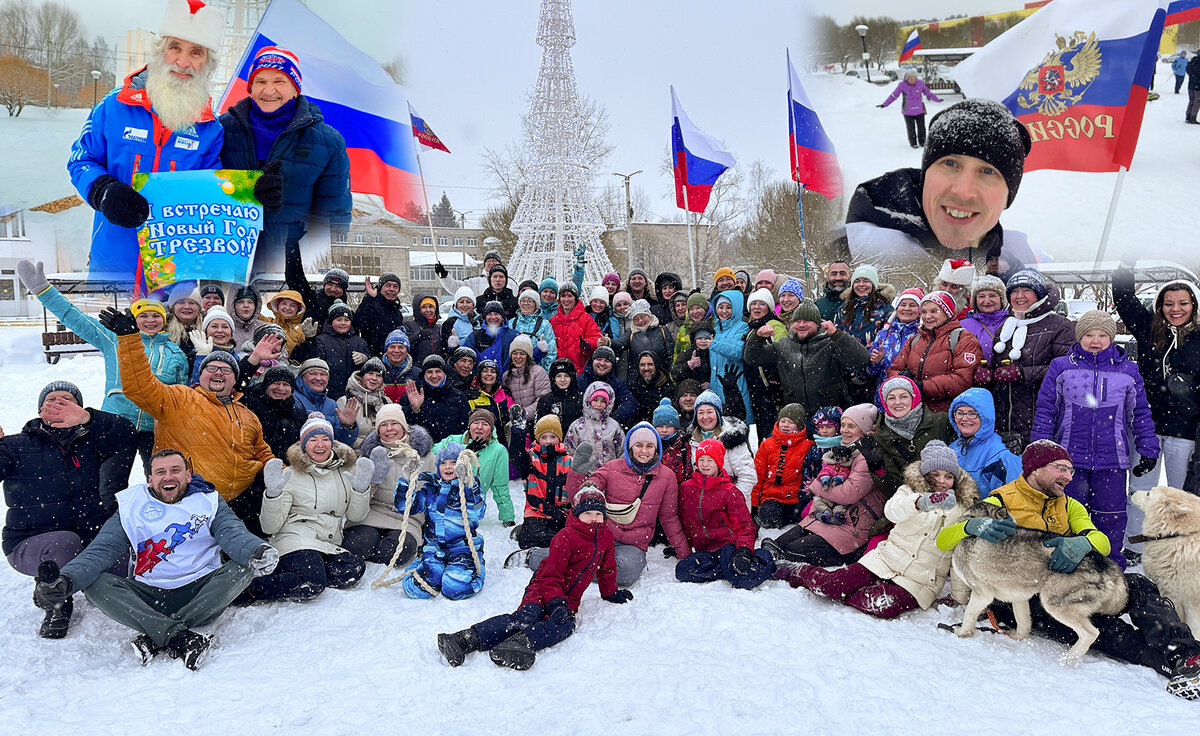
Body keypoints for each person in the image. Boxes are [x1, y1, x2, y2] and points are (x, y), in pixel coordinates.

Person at [935, 440, 1200, 699]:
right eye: (1060, 468)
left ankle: (1188, 656)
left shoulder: (1069, 505)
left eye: (1070, 470)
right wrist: (969, 528)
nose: (1068, 475)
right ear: (1035, 470)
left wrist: (1083, 542)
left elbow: (1102, 543)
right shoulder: (1000, 500)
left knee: (1139, 585)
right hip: (1027, 595)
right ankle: (1165, 663)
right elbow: (943, 540)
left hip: (1072, 579)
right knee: (1099, 627)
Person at [33, 449, 277, 669]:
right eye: (160, 472)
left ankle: (157, 633)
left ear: (188, 475)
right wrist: (66, 581)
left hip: (201, 592)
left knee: (244, 568)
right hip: (149, 595)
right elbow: (101, 549)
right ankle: (179, 636)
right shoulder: (132, 506)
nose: (168, 477)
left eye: (175, 470)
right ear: (150, 479)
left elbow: (233, 534)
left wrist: (257, 551)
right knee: (95, 585)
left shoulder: (208, 500)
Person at [67, 0, 226, 287]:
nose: (182, 61)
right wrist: (102, 190)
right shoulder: (114, 106)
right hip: (112, 271)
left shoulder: (210, 129)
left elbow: (214, 194)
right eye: (174, 46)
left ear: (207, 63)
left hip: (175, 281)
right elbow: (81, 159)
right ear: (159, 50)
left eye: (195, 52)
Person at [18, 261, 188, 489]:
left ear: (163, 321)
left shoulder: (175, 352)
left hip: (154, 428)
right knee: (109, 485)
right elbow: (76, 318)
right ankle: (108, 524)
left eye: (155, 316)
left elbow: (180, 396)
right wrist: (43, 290)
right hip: (115, 423)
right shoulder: (114, 339)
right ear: (134, 320)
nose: (150, 320)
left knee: (163, 483)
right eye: (143, 316)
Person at [102, 307, 275, 531]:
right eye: (211, 368)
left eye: (226, 370)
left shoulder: (247, 414)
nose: (219, 373)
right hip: (190, 503)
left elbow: (261, 452)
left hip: (241, 505)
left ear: (235, 380)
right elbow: (140, 387)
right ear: (200, 374)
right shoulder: (179, 398)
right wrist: (129, 340)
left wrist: (276, 470)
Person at [436, 485, 627, 671]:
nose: (593, 519)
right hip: (542, 586)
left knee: (565, 624)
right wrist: (555, 603)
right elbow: (552, 575)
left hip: (568, 599)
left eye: (598, 514)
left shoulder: (605, 537)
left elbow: (607, 568)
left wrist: (610, 593)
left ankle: (520, 642)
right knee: (526, 617)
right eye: (588, 514)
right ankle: (463, 639)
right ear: (577, 514)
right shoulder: (565, 537)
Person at [778, 440, 975, 619]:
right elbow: (892, 512)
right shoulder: (909, 492)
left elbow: (959, 554)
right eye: (935, 475)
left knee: (880, 605)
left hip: (920, 580)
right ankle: (798, 572)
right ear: (924, 475)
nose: (942, 481)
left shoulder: (962, 509)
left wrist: (958, 596)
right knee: (832, 586)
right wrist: (919, 503)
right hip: (886, 559)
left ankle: (858, 591)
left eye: (948, 476)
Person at [2, 382, 138, 637]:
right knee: (64, 543)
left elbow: (127, 432)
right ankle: (56, 603)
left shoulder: (91, 443)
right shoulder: (15, 446)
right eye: (52, 399)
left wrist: (89, 418)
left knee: (123, 566)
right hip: (29, 543)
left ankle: (60, 580)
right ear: (40, 409)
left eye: (68, 400)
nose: (59, 403)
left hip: (89, 537)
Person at [840, 98, 1035, 270]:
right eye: (950, 163)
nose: (963, 192)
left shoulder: (1019, 260)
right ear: (925, 177)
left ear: (1008, 197)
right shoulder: (848, 249)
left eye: (988, 171)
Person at [1032, 311, 1159, 568]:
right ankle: (1066, 562)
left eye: (1102, 335)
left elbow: (1140, 412)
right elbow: (1046, 409)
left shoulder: (1128, 371)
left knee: (1110, 516)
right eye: (1089, 334)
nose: (1095, 340)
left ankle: (1109, 565)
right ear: (1080, 337)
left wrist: (1148, 448)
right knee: (1067, 514)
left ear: (1111, 338)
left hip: (1111, 459)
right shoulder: (1062, 367)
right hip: (1068, 460)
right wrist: (1041, 450)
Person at [218, 45, 351, 277]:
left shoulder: (328, 142)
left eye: (280, 81)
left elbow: (332, 217)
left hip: (288, 269)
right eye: (260, 82)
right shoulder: (221, 130)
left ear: (295, 88)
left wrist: (317, 273)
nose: (269, 90)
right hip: (228, 259)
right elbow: (204, 189)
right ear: (250, 88)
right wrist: (247, 190)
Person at [239, 414, 374, 603]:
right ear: (303, 445)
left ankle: (298, 573)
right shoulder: (289, 474)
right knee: (312, 583)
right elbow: (270, 528)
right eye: (313, 440)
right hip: (296, 539)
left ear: (332, 443)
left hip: (328, 542)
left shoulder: (346, 472)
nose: (320, 445)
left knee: (354, 569)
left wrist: (361, 490)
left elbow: (355, 516)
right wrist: (273, 494)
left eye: (325, 439)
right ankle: (248, 591)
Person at [761, 404, 884, 566]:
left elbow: (848, 494)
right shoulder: (843, 448)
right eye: (844, 425)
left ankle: (850, 556)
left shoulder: (866, 455)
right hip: (830, 515)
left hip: (853, 522)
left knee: (792, 550)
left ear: (864, 429)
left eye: (852, 426)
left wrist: (819, 487)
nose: (845, 430)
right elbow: (824, 478)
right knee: (778, 544)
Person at [1114, 265, 1200, 492]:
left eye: (1183, 303)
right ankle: (1136, 530)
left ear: (1194, 305)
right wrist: (1125, 265)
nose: (1176, 309)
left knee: (1181, 498)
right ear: (1160, 306)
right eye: (1169, 303)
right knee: (1139, 495)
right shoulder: (1148, 329)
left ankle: (1179, 530)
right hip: (1146, 430)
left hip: (1185, 432)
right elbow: (1124, 299)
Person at [586, 423, 691, 585]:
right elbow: (594, 482)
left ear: (656, 449)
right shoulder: (613, 467)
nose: (644, 451)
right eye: (639, 445)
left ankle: (576, 565)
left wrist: (684, 554)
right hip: (603, 534)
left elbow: (669, 517)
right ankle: (539, 557)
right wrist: (589, 487)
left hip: (633, 545)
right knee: (566, 552)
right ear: (630, 447)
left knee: (626, 573)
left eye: (649, 446)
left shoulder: (666, 476)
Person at [984, 269, 1074, 445]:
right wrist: (988, 375)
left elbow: (1068, 369)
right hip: (1005, 419)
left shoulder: (1059, 326)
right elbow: (998, 367)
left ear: (1039, 294)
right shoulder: (1006, 327)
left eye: (1026, 290)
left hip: (1041, 418)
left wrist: (1023, 373)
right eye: (1014, 291)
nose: (1019, 296)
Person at [675, 439, 776, 590]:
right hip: (706, 550)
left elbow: (746, 526)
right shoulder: (686, 488)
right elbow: (685, 521)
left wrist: (744, 550)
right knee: (683, 570)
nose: (705, 464)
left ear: (718, 463)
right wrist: (684, 546)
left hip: (728, 546)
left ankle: (765, 556)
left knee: (743, 581)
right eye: (701, 460)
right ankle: (728, 570)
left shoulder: (729, 492)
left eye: (710, 460)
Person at [743, 299, 870, 416]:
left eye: (807, 321)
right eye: (798, 321)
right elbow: (752, 358)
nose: (801, 324)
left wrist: (837, 335)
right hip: (796, 417)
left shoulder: (830, 343)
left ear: (817, 324)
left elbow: (861, 359)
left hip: (830, 417)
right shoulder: (783, 345)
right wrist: (757, 337)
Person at [394, 442, 486, 600]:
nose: (448, 467)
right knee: (418, 590)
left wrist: (469, 485)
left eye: (454, 462)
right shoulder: (431, 489)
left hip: (462, 549)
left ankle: (476, 567)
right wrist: (406, 481)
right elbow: (406, 507)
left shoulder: (469, 488)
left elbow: (479, 512)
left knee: (454, 589)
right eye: (443, 463)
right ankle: (426, 566)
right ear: (438, 467)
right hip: (435, 549)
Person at [886, 291, 981, 413]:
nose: (927, 316)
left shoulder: (964, 339)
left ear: (947, 313)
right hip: (914, 412)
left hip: (946, 414)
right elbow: (893, 369)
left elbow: (962, 380)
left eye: (934, 311)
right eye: (924, 312)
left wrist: (921, 387)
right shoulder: (914, 340)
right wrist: (900, 378)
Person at [872, 376, 956, 498]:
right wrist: (877, 468)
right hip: (912, 502)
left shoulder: (941, 422)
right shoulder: (881, 436)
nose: (897, 402)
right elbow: (893, 490)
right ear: (885, 403)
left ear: (914, 397)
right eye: (891, 398)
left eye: (903, 396)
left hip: (949, 495)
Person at [435, 409, 514, 526]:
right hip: (444, 500)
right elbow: (433, 453)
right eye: (476, 423)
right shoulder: (453, 440)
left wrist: (508, 516)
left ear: (491, 430)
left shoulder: (498, 450)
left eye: (485, 424)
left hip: (472, 504)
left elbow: (500, 486)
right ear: (469, 426)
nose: (479, 427)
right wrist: (465, 449)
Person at [948, 388, 1022, 498]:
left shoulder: (1003, 453)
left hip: (987, 513)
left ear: (985, 417)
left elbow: (1013, 499)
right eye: (959, 413)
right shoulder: (952, 448)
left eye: (972, 413)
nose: (964, 419)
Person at [290, 300, 369, 401]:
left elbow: (369, 368)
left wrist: (366, 358)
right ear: (331, 322)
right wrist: (308, 341)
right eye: (339, 319)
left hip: (355, 395)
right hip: (328, 393)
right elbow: (304, 357)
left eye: (346, 320)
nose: (343, 323)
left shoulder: (360, 342)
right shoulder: (321, 340)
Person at [687, 390, 756, 504]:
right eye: (700, 413)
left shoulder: (732, 438)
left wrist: (731, 500)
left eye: (710, 412)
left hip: (732, 504)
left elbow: (747, 476)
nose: (705, 417)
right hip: (704, 504)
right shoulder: (691, 440)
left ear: (718, 414)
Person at [752, 404, 814, 529]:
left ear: (800, 425)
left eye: (791, 422)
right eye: (783, 421)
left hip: (796, 497)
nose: (785, 425)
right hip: (772, 495)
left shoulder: (808, 446)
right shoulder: (767, 445)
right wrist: (753, 502)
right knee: (770, 518)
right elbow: (757, 475)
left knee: (802, 515)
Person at [864, 287, 923, 406]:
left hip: (912, 398)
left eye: (912, 305)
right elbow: (870, 373)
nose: (907, 308)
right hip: (884, 399)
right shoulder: (883, 334)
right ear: (897, 308)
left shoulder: (924, 334)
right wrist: (876, 362)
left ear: (920, 310)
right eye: (903, 304)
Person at [241, 365, 309, 459]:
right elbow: (236, 385)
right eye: (276, 383)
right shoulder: (251, 404)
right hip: (257, 465)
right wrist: (253, 360)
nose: (281, 388)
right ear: (266, 386)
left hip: (287, 469)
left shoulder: (299, 415)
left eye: (286, 384)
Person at [745, 289, 787, 435]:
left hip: (770, 389)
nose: (756, 307)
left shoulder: (774, 325)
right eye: (754, 304)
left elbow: (782, 352)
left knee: (771, 431)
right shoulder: (753, 326)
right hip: (757, 388)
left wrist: (774, 380)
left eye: (761, 304)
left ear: (769, 307)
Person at [708, 291, 753, 423]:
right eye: (721, 307)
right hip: (716, 386)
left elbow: (738, 352)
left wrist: (714, 344)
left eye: (729, 307)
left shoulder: (742, 328)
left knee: (740, 424)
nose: (724, 311)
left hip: (736, 386)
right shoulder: (715, 330)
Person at [292, 359, 359, 446]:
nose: (318, 378)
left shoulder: (331, 404)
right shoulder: (293, 399)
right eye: (313, 373)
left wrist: (347, 426)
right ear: (302, 377)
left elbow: (343, 442)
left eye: (323, 374)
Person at [878, 69, 943, 148]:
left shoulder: (920, 83)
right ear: (907, 78)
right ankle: (913, 143)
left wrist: (937, 100)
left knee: (921, 127)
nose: (913, 80)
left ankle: (922, 142)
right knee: (911, 128)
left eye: (914, 79)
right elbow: (894, 95)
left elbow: (929, 93)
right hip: (908, 112)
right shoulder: (902, 85)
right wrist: (885, 104)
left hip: (920, 110)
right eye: (911, 79)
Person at [566, 382, 625, 467]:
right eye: (595, 400)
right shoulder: (577, 426)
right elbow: (569, 451)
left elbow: (621, 452)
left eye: (603, 401)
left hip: (609, 475)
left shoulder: (614, 426)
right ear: (588, 400)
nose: (599, 404)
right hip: (584, 475)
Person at [613, 299, 673, 383]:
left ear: (649, 316)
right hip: (637, 382)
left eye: (642, 317)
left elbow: (671, 355)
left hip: (661, 380)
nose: (640, 321)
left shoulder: (662, 330)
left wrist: (671, 376)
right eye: (636, 319)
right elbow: (619, 344)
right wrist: (607, 342)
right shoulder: (631, 333)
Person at [337, 358, 391, 449]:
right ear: (362, 376)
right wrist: (348, 426)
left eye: (378, 375)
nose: (374, 378)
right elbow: (339, 438)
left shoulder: (386, 402)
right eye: (370, 373)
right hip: (356, 454)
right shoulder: (345, 401)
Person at [958, 275, 1009, 369]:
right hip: (973, 381)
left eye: (992, 296)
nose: (987, 300)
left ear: (1001, 299)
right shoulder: (962, 326)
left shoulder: (1012, 323)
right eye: (981, 296)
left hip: (1007, 381)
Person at [550, 283, 601, 372]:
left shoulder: (586, 318)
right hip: (559, 371)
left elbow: (597, 338)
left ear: (575, 299)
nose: (566, 299)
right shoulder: (553, 321)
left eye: (570, 296)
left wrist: (587, 344)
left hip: (580, 369)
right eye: (563, 296)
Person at [353, 273, 406, 357]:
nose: (391, 289)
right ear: (380, 288)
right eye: (388, 285)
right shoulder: (371, 304)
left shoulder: (397, 312)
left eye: (395, 286)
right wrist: (369, 298)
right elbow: (359, 323)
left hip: (392, 357)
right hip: (373, 357)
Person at [510, 289, 557, 370]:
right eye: (523, 300)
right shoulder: (511, 323)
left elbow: (551, 352)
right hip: (514, 371)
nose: (526, 304)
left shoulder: (544, 325)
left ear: (536, 305)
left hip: (538, 372)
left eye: (530, 301)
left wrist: (548, 372)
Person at [464, 301, 517, 370]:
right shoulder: (475, 336)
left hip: (507, 378)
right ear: (485, 317)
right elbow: (465, 356)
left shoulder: (513, 336)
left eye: (496, 314)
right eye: (489, 314)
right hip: (481, 379)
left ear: (503, 317)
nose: (493, 317)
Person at [435, 246, 502, 298]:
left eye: (494, 260)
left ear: (500, 263)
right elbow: (455, 288)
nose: (491, 263)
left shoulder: (509, 281)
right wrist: (444, 276)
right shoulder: (474, 281)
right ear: (484, 265)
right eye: (488, 261)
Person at [628, 352, 674, 427]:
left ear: (656, 366)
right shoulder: (634, 385)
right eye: (642, 365)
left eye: (650, 364)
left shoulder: (666, 386)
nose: (646, 368)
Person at [406, 293, 443, 366]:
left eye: (431, 306)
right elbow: (404, 346)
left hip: (435, 372)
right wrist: (418, 335)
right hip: (416, 370)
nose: (428, 310)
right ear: (418, 309)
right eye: (424, 307)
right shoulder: (409, 326)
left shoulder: (439, 328)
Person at [230, 284, 267, 350]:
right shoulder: (226, 329)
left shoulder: (265, 329)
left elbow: (281, 357)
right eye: (241, 302)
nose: (246, 305)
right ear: (233, 305)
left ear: (256, 306)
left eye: (250, 302)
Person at [1187, 52, 1200, 124]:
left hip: (1191, 85)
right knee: (1197, 102)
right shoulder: (1198, 63)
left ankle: (1188, 116)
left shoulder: (1193, 61)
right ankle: (1193, 117)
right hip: (1198, 86)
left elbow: (1188, 69)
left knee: (1191, 101)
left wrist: (1193, 77)